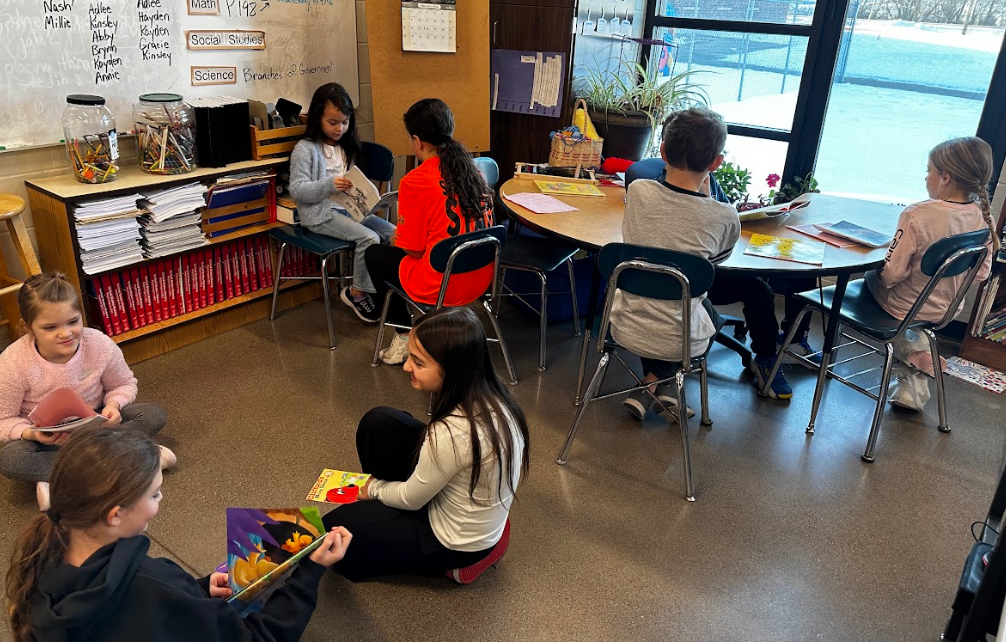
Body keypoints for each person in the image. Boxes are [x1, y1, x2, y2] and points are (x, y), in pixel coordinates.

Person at [4, 427, 353, 642]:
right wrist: (309, 574)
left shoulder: (42, 552)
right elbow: (258, 638)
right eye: (154, 493)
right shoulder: (156, 583)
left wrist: (198, 590)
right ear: (115, 514)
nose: (162, 498)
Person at [323, 307, 527, 583]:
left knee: (334, 534)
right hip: (468, 507)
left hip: (456, 542)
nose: (407, 366)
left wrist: (372, 488)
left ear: (451, 369)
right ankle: (391, 518)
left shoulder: (452, 433)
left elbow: (411, 498)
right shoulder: (492, 395)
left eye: (418, 363)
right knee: (379, 422)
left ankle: (458, 564)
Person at [0, 273, 170, 511]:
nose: (66, 333)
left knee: (152, 415)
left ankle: (62, 477)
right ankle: (132, 457)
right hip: (48, 439)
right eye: (50, 327)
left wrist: (114, 406)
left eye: (73, 322)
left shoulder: (98, 344)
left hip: (98, 425)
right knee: (12, 459)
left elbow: (124, 384)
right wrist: (32, 434)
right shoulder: (12, 363)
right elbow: (4, 420)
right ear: (27, 327)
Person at [612, 107, 740, 420]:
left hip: (625, 324)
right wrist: (709, 200)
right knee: (707, 314)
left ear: (663, 151)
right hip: (679, 340)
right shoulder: (724, 216)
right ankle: (667, 382)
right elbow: (716, 262)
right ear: (716, 163)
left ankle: (651, 383)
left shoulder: (638, 191)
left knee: (661, 299)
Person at [865, 136, 998, 409]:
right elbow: (982, 274)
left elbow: (893, 275)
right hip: (947, 308)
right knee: (913, 321)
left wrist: (879, 268)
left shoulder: (917, 214)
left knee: (869, 281)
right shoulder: (984, 217)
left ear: (945, 177)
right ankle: (913, 379)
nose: (926, 178)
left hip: (902, 306)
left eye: (929, 171)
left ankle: (913, 351)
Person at [364, 98, 494, 365]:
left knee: (374, 253)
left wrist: (398, 236)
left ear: (417, 140)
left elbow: (412, 250)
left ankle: (402, 334)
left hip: (442, 283)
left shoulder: (414, 181)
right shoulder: (475, 171)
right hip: (480, 277)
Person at [289, 82, 396, 323]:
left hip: (348, 210)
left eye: (345, 122)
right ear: (317, 118)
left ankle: (381, 288)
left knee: (393, 233)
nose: (340, 129)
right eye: (333, 122)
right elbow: (297, 190)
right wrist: (330, 185)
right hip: (320, 215)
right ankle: (357, 292)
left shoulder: (346, 146)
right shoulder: (305, 150)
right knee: (368, 238)